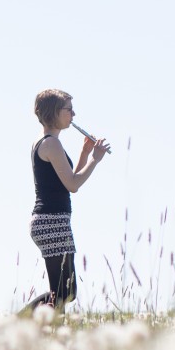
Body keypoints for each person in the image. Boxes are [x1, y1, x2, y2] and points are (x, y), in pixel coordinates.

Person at [25, 88, 110, 312]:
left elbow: (69, 182)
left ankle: (27, 325)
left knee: (64, 293)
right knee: (63, 293)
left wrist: (84, 153)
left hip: (52, 221)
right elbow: (73, 185)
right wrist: (95, 159)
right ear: (55, 112)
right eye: (69, 110)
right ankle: (17, 323)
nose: (73, 115)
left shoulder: (47, 143)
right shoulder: (51, 144)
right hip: (51, 221)